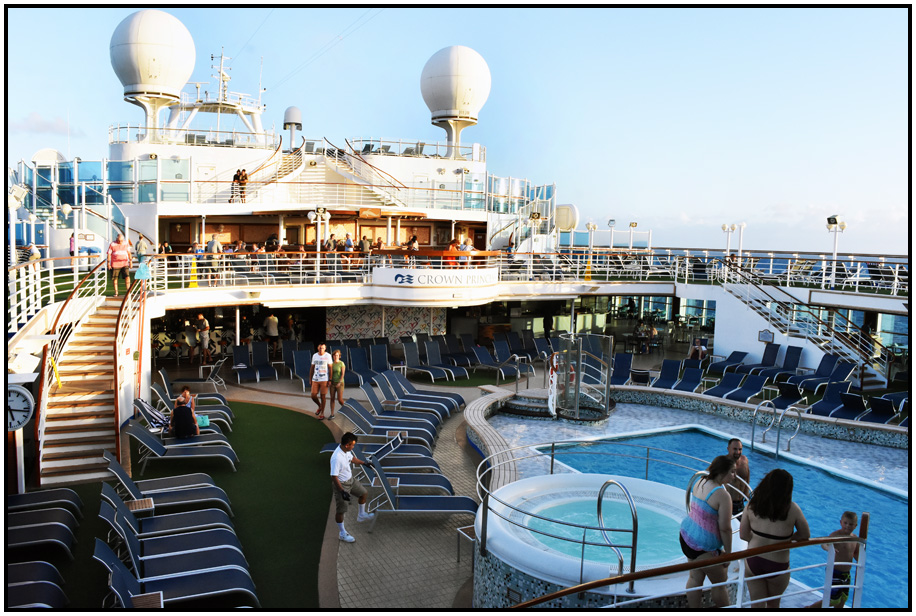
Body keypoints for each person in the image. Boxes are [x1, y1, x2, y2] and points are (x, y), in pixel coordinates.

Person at [739, 469, 811, 609]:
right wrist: (787, 540)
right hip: (778, 564)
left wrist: (758, 539)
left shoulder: (752, 505)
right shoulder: (793, 509)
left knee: (757, 605)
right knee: (773, 604)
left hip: (753, 560)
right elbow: (805, 534)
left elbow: (743, 535)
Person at [679, 455, 735, 608]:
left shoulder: (700, 481)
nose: (734, 476)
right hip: (703, 547)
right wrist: (729, 554)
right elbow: (725, 528)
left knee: (695, 578)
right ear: (722, 472)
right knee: (719, 584)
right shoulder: (722, 495)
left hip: (686, 537)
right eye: (732, 472)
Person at [806, 511, 860, 609]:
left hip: (846, 574)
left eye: (851, 524)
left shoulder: (855, 538)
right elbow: (824, 543)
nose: (847, 526)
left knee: (843, 598)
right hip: (835, 572)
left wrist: (860, 559)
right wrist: (829, 548)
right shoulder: (836, 535)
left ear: (855, 526)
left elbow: (856, 553)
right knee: (831, 600)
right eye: (845, 523)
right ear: (841, 522)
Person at [330, 432, 376, 543]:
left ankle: (361, 515)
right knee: (341, 511)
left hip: (351, 480)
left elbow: (352, 459)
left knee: (363, 493)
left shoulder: (346, 451)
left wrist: (365, 463)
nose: (353, 447)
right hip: (341, 485)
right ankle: (342, 533)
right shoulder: (336, 458)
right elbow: (334, 476)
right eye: (353, 445)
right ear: (347, 445)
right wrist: (342, 491)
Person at [726, 438, 750, 518]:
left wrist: (746, 491)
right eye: (735, 449)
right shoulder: (723, 462)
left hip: (741, 503)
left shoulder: (744, 460)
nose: (737, 452)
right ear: (728, 449)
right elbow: (707, 475)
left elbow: (747, 474)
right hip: (729, 503)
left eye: (740, 449)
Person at [310, 342, 333, 419]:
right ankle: (320, 406)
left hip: (324, 379)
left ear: (325, 348)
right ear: (317, 348)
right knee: (313, 395)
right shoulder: (315, 356)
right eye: (320, 348)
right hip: (315, 379)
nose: (321, 349)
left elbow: (330, 368)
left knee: (323, 396)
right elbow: (312, 368)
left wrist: (330, 379)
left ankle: (322, 413)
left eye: (322, 348)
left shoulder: (328, 356)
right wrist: (310, 379)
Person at [329, 349, 346, 419]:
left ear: (339, 356)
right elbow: (330, 373)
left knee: (339, 399)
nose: (335, 357)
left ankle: (346, 409)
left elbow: (342, 374)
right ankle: (332, 414)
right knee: (332, 398)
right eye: (334, 355)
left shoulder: (341, 363)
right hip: (333, 383)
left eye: (337, 355)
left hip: (340, 383)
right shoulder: (331, 364)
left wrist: (339, 382)